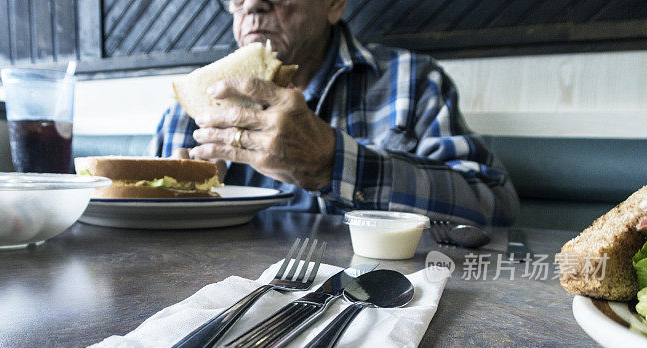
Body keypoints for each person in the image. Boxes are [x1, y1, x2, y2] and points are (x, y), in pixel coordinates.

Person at [148, 0, 519, 227]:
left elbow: (492, 205)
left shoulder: (411, 81)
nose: (252, 5)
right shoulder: (193, 104)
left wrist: (333, 163)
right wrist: (186, 201)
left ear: (335, 3)